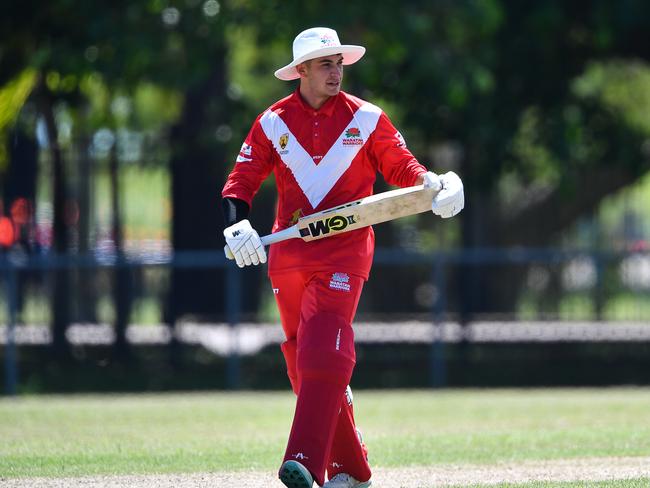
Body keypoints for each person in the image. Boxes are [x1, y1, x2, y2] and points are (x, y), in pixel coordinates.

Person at [221, 27, 464, 488]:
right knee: (302, 361)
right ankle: (352, 471)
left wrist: (433, 184)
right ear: (302, 72)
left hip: (346, 249)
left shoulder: (367, 118)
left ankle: (303, 462)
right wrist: (236, 224)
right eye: (325, 64)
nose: (336, 71)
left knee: (322, 350)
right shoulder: (272, 122)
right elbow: (242, 180)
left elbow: (401, 167)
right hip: (288, 252)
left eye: (339, 63)